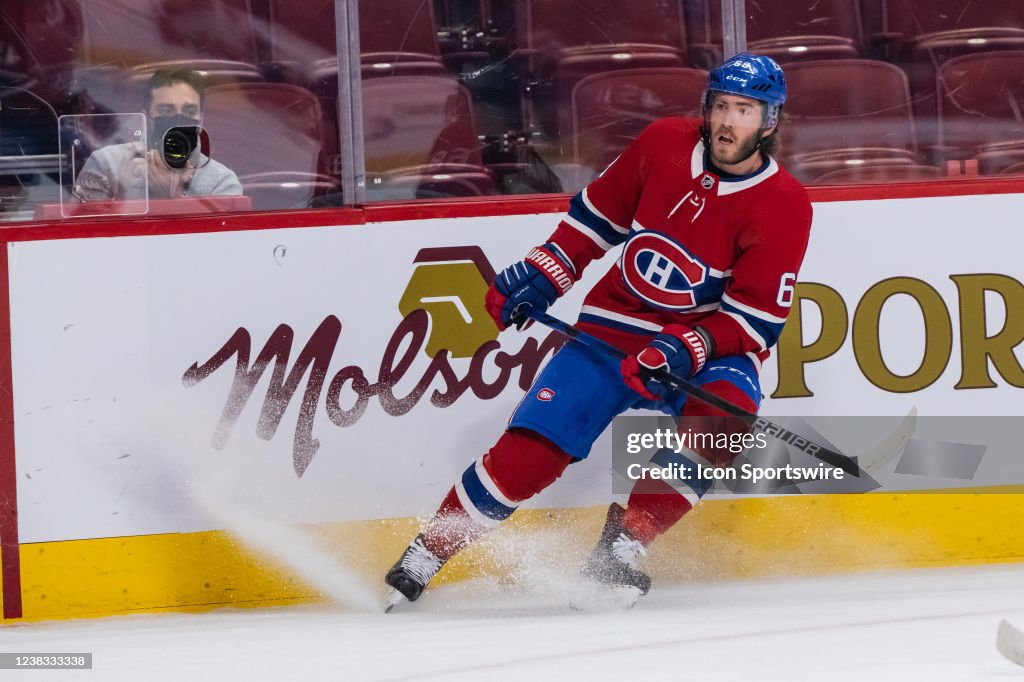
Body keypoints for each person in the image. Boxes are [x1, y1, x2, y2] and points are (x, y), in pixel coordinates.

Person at [385, 53, 813, 606]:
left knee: (723, 418)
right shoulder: (662, 143)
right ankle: (428, 551)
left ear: (770, 122)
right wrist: (543, 275)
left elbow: (756, 319)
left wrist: (684, 347)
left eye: (746, 111)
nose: (729, 123)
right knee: (531, 451)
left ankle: (620, 551)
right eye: (722, 106)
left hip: (705, 339)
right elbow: (594, 223)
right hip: (615, 322)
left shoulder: (785, 206)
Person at [72, 68, 242, 202]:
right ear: (147, 118)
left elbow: (216, 245)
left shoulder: (222, 183)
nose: (177, 119)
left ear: (201, 121)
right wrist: (122, 192)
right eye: (166, 110)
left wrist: (171, 201)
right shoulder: (106, 164)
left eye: (189, 111)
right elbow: (83, 237)